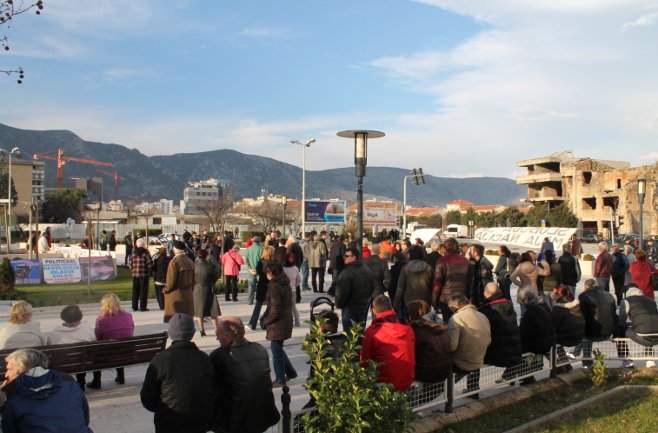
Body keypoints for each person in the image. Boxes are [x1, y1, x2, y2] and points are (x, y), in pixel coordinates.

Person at [141, 313, 215, 433]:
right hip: (200, 421)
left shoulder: (161, 360)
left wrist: (162, 409)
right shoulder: (204, 358)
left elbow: (147, 398)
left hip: (169, 421)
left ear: (171, 334)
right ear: (192, 333)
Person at [210, 317, 280, 433]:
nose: (217, 338)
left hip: (235, 421)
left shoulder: (219, 356)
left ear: (229, 336)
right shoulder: (260, 349)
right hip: (263, 415)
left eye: (218, 334)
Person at [1, 348, 93, 433]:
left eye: (9, 369)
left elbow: (8, 429)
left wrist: (3, 397)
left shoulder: (10, 392)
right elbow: (85, 418)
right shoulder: (67, 380)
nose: (6, 375)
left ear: (22, 369)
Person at [361, 295, 415, 391]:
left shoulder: (372, 332)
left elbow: (364, 362)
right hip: (406, 381)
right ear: (391, 308)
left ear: (374, 311)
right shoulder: (408, 329)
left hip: (383, 385)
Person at [261, 261, 297, 387]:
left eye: (267, 273)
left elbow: (275, 309)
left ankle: (280, 379)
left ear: (271, 273)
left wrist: (266, 320)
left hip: (278, 322)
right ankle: (291, 372)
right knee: (278, 348)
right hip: (285, 319)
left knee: (276, 350)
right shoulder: (284, 283)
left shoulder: (275, 286)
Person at [447, 293, 491, 397]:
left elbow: (452, 346)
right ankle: (474, 390)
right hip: (479, 358)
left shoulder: (456, 318)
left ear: (455, 306)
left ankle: (444, 399)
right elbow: (489, 340)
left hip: (462, 362)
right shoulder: (482, 316)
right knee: (473, 352)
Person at [46, 305, 96, 390]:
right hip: (84, 363)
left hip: (62, 364)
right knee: (82, 356)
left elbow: (49, 347)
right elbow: (94, 342)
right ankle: (81, 381)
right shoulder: (87, 329)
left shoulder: (54, 333)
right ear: (80, 316)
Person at [479, 282, 522, 380]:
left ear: (486, 294)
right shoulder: (509, 305)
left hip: (496, 355)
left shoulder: (486, 311)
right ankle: (511, 377)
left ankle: (473, 389)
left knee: (473, 355)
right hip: (514, 351)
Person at [92, 293, 135, 389]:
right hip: (127, 352)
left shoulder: (101, 320)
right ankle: (120, 376)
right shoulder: (128, 316)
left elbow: (97, 337)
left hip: (109, 354)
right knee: (120, 343)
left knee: (97, 350)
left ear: (105, 306)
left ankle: (96, 381)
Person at [573, 279, 617, 368]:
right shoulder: (609, 295)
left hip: (592, 333)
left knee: (585, 333)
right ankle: (577, 355)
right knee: (589, 330)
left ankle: (584, 361)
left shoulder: (583, 296)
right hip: (608, 332)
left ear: (586, 288)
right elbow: (614, 314)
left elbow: (580, 315)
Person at [407, 300, 451, 388]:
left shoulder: (417, 329)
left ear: (418, 312)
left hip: (427, 374)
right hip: (445, 370)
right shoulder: (442, 324)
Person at [334, 247, 376, 333]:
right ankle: (360, 346)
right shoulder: (367, 270)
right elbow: (373, 287)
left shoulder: (346, 272)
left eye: (346, 256)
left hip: (349, 306)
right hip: (363, 305)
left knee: (350, 334)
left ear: (353, 257)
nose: (344, 257)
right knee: (359, 332)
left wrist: (339, 304)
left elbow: (341, 291)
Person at [432, 237, 473, 323]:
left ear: (445, 249)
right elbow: (470, 283)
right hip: (462, 298)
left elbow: (437, 283)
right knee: (462, 323)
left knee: (449, 324)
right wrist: (468, 297)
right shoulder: (466, 261)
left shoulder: (441, 261)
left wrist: (434, 301)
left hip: (446, 299)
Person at [518, 291, 555, 385]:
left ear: (527, 300)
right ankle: (509, 376)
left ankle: (527, 378)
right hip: (548, 339)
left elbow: (524, 332)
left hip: (540, 343)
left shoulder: (530, 312)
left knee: (519, 350)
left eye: (524, 300)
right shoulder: (543, 307)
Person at [617, 285, 658, 368]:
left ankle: (626, 360)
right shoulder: (651, 300)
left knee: (619, 330)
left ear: (626, 293)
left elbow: (622, 320)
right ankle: (650, 361)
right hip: (656, 336)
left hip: (643, 337)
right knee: (648, 328)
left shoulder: (626, 301)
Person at [551, 285, 584, 369]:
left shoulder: (559, 307)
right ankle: (566, 364)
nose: (552, 294)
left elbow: (554, 325)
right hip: (580, 333)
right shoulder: (576, 303)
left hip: (568, 337)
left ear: (559, 295)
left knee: (549, 341)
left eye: (554, 293)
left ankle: (558, 367)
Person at [394, 245, 433, 317]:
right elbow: (433, 286)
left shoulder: (406, 268)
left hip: (409, 301)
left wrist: (396, 302)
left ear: (410, 255)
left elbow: (400, 287)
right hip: (425, 301)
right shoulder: (428, 268)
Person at [163, 240, 196, 323]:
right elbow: (194, 280)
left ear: (174, 249)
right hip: (188, 295)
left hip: (176, 295)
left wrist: (165, 289)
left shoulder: (174, 262)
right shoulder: (190, 261)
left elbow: (171, 282)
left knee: (176, 323)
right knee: (186, 322)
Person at [510, 251, 550, 316]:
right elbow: (547, 272)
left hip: (523, 290)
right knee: (533, 312)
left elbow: (512, 277)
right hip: (533, 290)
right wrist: (543, 261)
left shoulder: (520, 266)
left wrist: (520, 284)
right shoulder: (535, 267)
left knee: (523, 312)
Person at [193, 248, 221, 337]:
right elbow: (216, 275)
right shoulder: (210, 265)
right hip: (209, 288)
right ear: (206, 256)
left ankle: (202, 330)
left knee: (199, 311)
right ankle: (216, 330)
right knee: (213, 311)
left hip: (197, 288)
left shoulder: (194, 265)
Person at [248, 246, 276, 331]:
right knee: (271, 307)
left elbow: (257, 273)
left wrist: (254, 272)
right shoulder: (275, 263)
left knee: (258, 306)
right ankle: (266, 323)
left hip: (262, 286)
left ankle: (252, 324)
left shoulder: (260, 262)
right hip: (272, 286)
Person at [129, 237, 153, 312]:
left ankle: (134, 306)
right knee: (143, 291)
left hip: (135, 274)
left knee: (135, 290)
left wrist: (132, 270)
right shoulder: (146, 252)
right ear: (143, 244)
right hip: (144, 274)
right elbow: (149, 263)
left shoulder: (133, 252)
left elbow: (130, 263)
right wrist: (150, 271)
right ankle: (143, 307)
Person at [283, 252, 302, 327]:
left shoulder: (283, 269)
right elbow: (299, 279)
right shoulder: (295, 268)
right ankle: (297, 322)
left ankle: (287, 322)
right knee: (293, 306)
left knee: (285, 307)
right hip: (293, 290)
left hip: (285, 290)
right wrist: (295, 285)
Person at [246, 236, 263, 304]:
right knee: (260, 286)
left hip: (251, 270)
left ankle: (250, 301)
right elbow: (262, 260)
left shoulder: (248, 249)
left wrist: (250, 269)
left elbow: (246, 260)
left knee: (251, 286)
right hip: (259, 271)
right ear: (259, 241)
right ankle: (259, 300)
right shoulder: (261, 249)